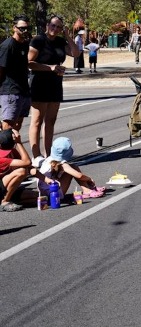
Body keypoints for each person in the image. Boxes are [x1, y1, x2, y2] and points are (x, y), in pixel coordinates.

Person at [28, 15, 80, 158]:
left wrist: (68, 36)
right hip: (39, 83)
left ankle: (49, 154)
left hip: (55, 84)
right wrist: (49, 67)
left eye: (58, 27)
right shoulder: (38, 40)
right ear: (47, 25)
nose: (55, 29)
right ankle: (36, 156)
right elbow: (29, 62)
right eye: (53, 25)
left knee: (50, 121)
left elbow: (76, 53)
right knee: (37, 121)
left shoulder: (60, 41)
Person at [35, 136, 105, 201]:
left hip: (43, 192)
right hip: (54, 195)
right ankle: (87, 190)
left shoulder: (49, 160)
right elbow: (79, 175)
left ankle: (87, 188)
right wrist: (89, 179)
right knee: (73, 169)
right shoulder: (63, 164)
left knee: (72, 167)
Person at [0, 15, 33, 132]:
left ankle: (12, 150)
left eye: (27, 28)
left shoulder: (24, 44)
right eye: (22, 28)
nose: (25, 31)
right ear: (14, 28)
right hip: (10, 92)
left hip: (23, 91)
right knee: (7, 129)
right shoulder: (8, 45)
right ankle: (4, 150)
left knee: (17, 128)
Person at [1, 128, 32, 211]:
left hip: (4, 187)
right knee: (21, 172)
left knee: (42, 197)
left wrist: (46, 179)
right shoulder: (1, 158)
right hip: (2, 186)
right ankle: (4, 201)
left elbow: (29, 166)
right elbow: (27, 162)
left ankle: (12, 198)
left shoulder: (12, 151)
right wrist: (19, 142)